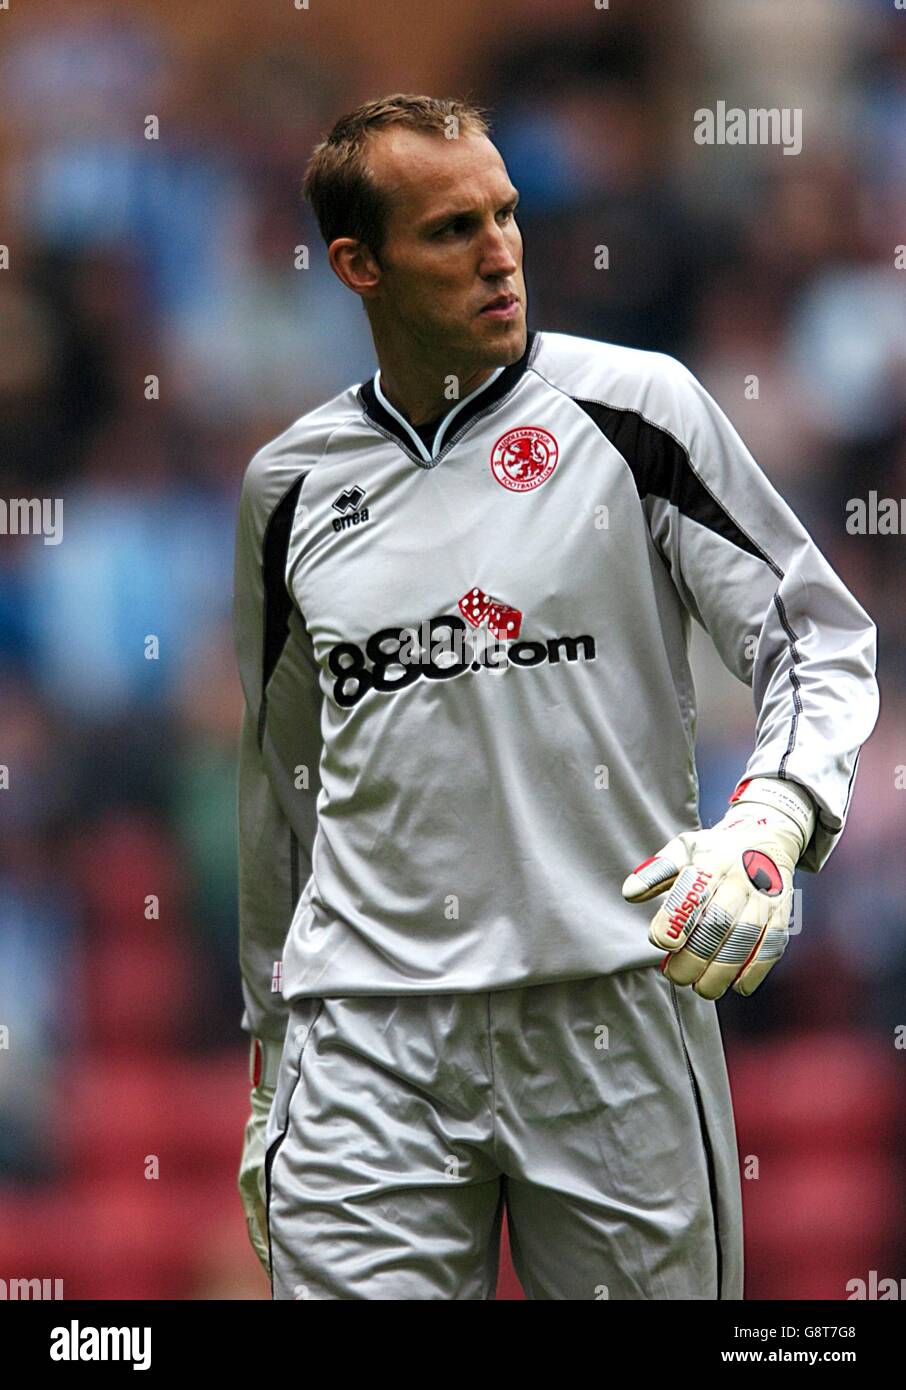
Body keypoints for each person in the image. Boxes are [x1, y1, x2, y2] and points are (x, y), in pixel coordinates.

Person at [233, 94, 879, 1301]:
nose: (501, 252)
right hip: (366, 1040)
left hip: (614, 1011)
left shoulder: (640, 414)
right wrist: (272, 1062)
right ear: (356, 265)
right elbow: (284, 791)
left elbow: (819, 638)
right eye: (452, 230)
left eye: (508, 215)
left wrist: (770, 824)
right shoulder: (288, 491)